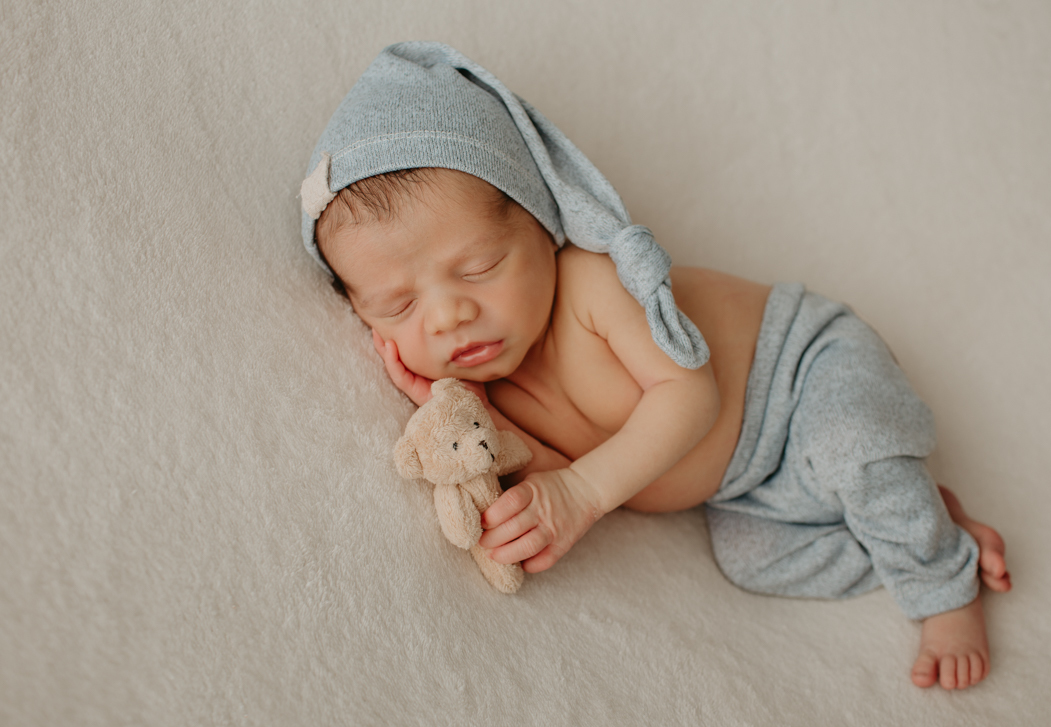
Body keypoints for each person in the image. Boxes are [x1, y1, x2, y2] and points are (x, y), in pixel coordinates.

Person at [300, 42, 1011, 690]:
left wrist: (581, 494)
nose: (447, 316)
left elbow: (689, 397)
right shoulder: (490, 393)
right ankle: (923, 530)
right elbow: (557, 470)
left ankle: (942, 591)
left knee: (853, 443)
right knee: (755, 562)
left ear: (543, 223)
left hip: (806, 372)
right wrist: (475, 423)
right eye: (396, 306)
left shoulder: (591, 285)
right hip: (744, 489)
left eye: (479, 266)